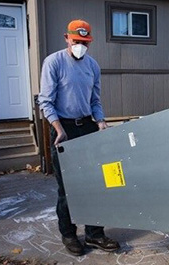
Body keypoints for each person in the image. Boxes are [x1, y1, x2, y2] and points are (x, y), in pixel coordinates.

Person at [38, 19, 120, 256]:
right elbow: (46, 101)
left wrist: (101, 121)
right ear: (67, 38)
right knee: (68, 188)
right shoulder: (53, 62)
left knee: (95, 183)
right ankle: (69, 234)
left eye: (85, 42)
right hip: (63, 129)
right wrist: (57, 128)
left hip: (87, 126)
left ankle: (95, 234)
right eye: (76, 41)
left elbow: (95, 99)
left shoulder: (92, 66)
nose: (80, 46)